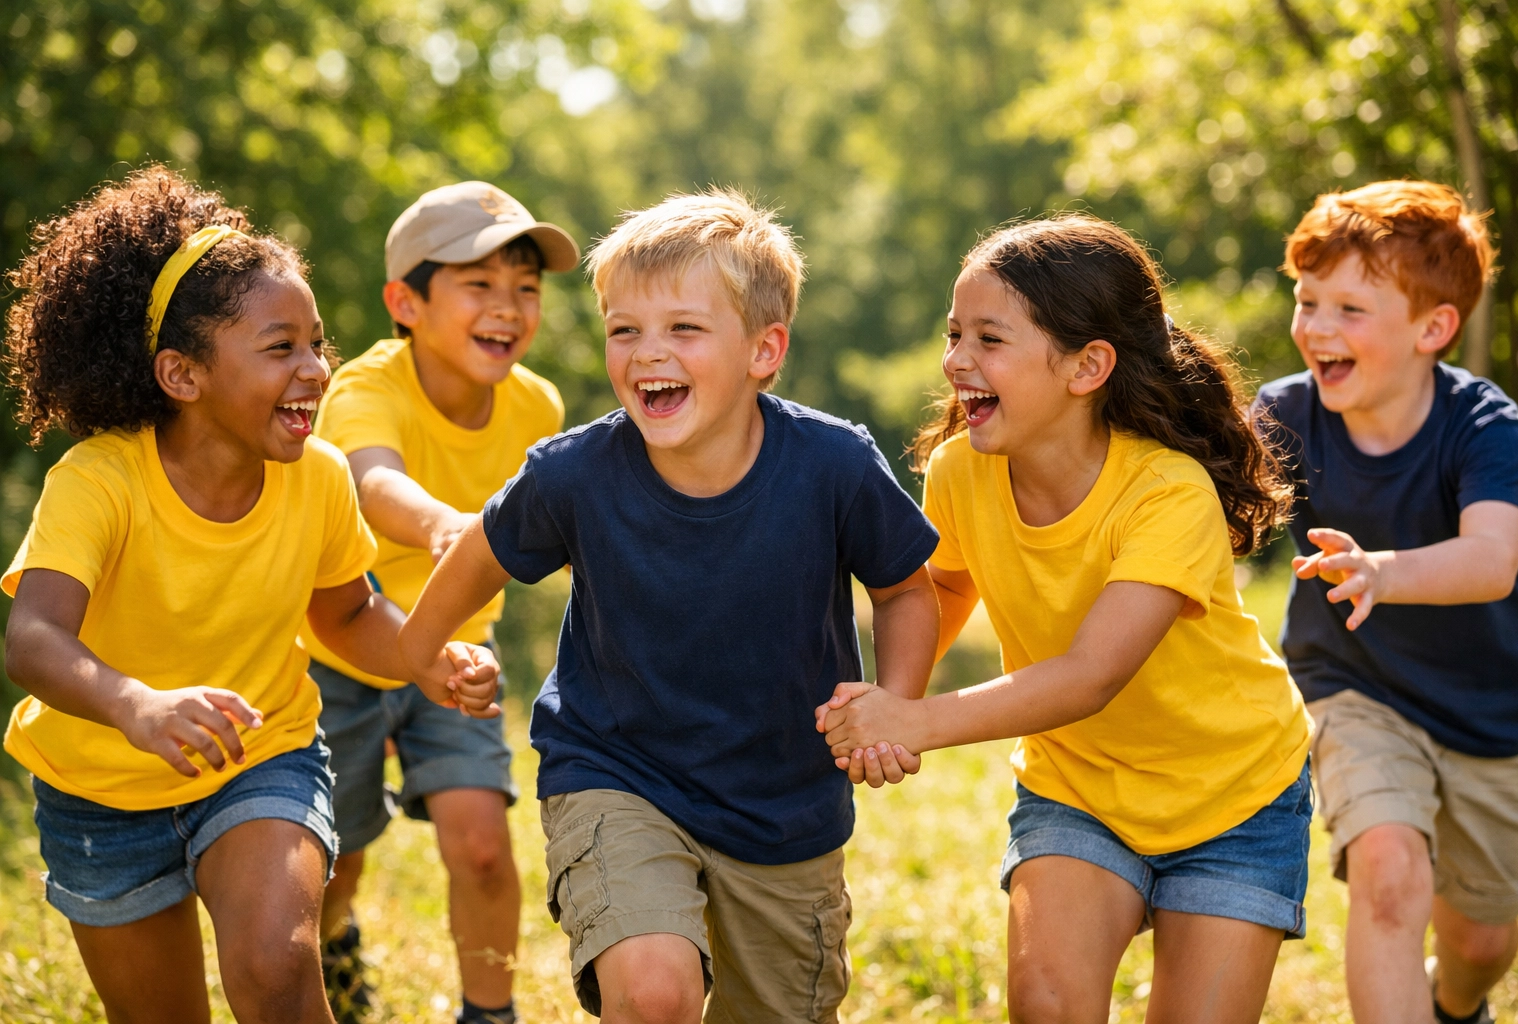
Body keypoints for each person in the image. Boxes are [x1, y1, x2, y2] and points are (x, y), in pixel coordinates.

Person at [398, 188, 941, 1023]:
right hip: (617, 771)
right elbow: (481, 549)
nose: (648, 352)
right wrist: (426, 649)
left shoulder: (832, 464)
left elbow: (905, 586)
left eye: (684, 329)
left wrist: (896, 700)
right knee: (653, 996)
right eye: (625, 330)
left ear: (765, 350)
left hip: (782, 805)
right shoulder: (573, 473)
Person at [0, 167, 498, 1024]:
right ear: (182, 376)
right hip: (102, 792)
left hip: (259, 756)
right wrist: (137, 706)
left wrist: (422, 656)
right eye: (281, 349)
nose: (315, 369)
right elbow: (33, 638)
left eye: (317, 343)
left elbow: (344, 612)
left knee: (275, 966)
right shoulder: (100, 482)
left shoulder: (320, 479)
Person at [817, 214, 1314, 1024]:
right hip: (1078, 789)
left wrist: (919, 720)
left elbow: (1092, 675)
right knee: (1047, 1004)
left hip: (1235, 796)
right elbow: (942, 590)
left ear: (1088, 366)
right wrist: (889, 709)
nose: (955, 362)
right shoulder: (961, 472)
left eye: (989, 339)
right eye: (953, 334)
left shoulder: (1167, 492)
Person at [301, 181, 579, 1024]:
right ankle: (333, 943)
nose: (510, 308)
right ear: (405, 302)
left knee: (484, 847)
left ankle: (488, 1013)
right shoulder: (364, 387)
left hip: (458, 653)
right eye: (479, 284)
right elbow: (369, 476)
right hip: (338, 653)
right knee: (333, 862)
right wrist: (442, 525)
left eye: (526, 288)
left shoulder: (537, 404)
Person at [1255, 181, 1518, 1024]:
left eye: (1349, 308)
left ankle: (1455, 1005)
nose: (1317, 328)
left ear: (1431, 329)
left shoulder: (1483, 425)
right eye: (1307, 301)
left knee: (1484, 942)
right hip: (1355, 686)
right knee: (1387, 876)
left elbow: (1492, 561)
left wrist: (1382, 572)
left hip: (1495, 711)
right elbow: (1214, 510)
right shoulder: (1283, 415)